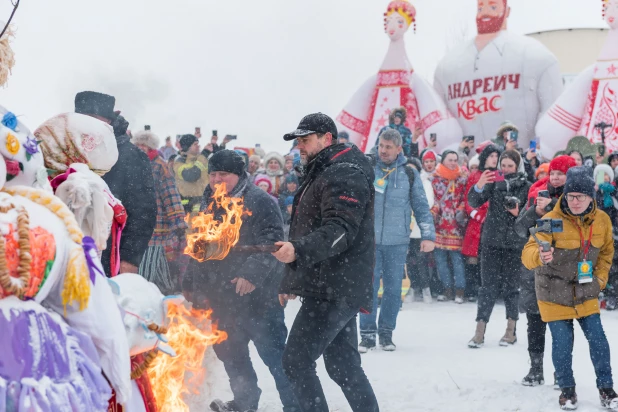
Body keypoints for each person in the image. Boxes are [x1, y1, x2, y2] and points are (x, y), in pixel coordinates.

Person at [274, 113, 379, 412]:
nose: (300, 147)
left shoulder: (344, 172)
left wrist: (298, 251)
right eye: (298, 142)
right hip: (330, 284)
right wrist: (291, 275)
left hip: (336, 287)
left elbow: (340, 230)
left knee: (295, 361)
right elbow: (308, 230)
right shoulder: (323, 171)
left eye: (305, 140)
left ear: (327, 139)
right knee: (343, 366)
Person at [184, 150, 300, 412]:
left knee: (274, 354)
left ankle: (296, 405)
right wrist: (191, 281)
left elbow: (272, 243)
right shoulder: (208, 200)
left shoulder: (260, 201)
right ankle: (245, 402)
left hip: (257, 297)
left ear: (238, 174)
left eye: (223, 174)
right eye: (213, 173)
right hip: (220, 295)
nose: (216, 179)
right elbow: (198, 244)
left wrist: (251, 275)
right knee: (231, 353)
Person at [522, 167, 618, 410]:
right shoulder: (550, 220)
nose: (575, 201)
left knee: (598, 341)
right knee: (562, 344)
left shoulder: (602, 221)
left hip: (586, 289)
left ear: (591, 198)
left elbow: (607, 253)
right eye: (571, 196)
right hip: (553, 292)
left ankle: (607, 389)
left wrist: (600, 280)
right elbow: (528, 252)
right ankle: (567, 390)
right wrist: (540, 257)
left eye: (581, 197)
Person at [359, 128, 435, 353]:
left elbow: (421, 207)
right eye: (381, 146)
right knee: (368, 288)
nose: (383, 150)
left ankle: (386, 333)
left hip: (397, 242)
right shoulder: (367, 169)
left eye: (388, 147)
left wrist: (428, 235)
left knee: (393, 290)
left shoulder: (409, 174)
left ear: (398, 149)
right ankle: (366, 334)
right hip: (369, 242)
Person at [75, 91, 156, 276]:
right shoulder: (68, 150)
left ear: (108, 121)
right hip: (72, 249)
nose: (87, 127)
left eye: (93, 120)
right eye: (81, 121)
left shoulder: (131, 156)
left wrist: (129, 259)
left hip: (110, 253)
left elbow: (143, 212)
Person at [514, 155, 577, 386]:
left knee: (562, 322)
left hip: (563, 270)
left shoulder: (578, 200)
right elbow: (520, 229)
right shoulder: (538, 195)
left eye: (562, 173)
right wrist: (535, 213)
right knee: (535, 319)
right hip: (536, 269)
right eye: (553, 173)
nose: (556, 177)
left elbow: (568, 231)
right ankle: (536, 368)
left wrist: (549, 212)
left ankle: (561, 372)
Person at [467, 150, 531, 348]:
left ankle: (510, 331)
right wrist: (479, 185)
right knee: (487, 287)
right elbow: (474, 202)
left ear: (518, 166)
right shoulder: (493, 183)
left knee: (512, 288)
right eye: (503, 165)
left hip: (515, 243)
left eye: (510, 166)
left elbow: (532, 215)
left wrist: (518, 212)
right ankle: (479, 331)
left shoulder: (527, 187)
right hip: (491, 241)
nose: (506, 170)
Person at [132, 130, 187, 294]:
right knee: (156, 270)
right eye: (138, 145)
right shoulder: (133, 165)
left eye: (144, 145)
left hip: (157, 228)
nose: (141, 148)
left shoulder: (160, 167)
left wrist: (178, 222)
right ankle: (167, 295)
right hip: (137, 227)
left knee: (147, 271)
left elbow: (171, 196)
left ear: (151, 148)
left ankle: (148, 296)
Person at [462, 144, 501, 302]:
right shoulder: (475, 175)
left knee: (491, 259)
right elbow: (468, 200)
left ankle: (490, 290)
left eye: (496, 156)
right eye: (491, 156)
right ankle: (472, 290)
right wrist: (477, 215)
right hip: (477, 224)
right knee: (473, 259)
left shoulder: (499, 175)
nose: (494, 159)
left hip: (494, 223)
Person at [431, 150, 468, 302]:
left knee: (457, 260)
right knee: (440, 260)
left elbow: (465, 198)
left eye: (455, 160)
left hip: (455, 225)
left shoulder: (462, 179)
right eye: (450, 159)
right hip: (439, 225)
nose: (453, 162)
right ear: (443, 160)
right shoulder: (434, 179)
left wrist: (460, 210)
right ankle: (447, 289)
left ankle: (460, 290)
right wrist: (433, 212)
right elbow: (432, 199)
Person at [405, 155, 437, 304]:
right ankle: (412, 286)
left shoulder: (424, 183)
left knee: (421, 260)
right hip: (404, 229)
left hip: (418, 229)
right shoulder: (399, 182)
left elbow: (428, 203)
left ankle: (425, 288)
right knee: (408, 261)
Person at [173, 134, 210, 214]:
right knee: (190, 226)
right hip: (188, 208)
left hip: (204, 205)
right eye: (195, 144)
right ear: (187, 147)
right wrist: (204, 155)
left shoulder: (201, 159)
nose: (198, 146)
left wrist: (216, 148)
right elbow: (191, 176)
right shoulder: (179, 162)